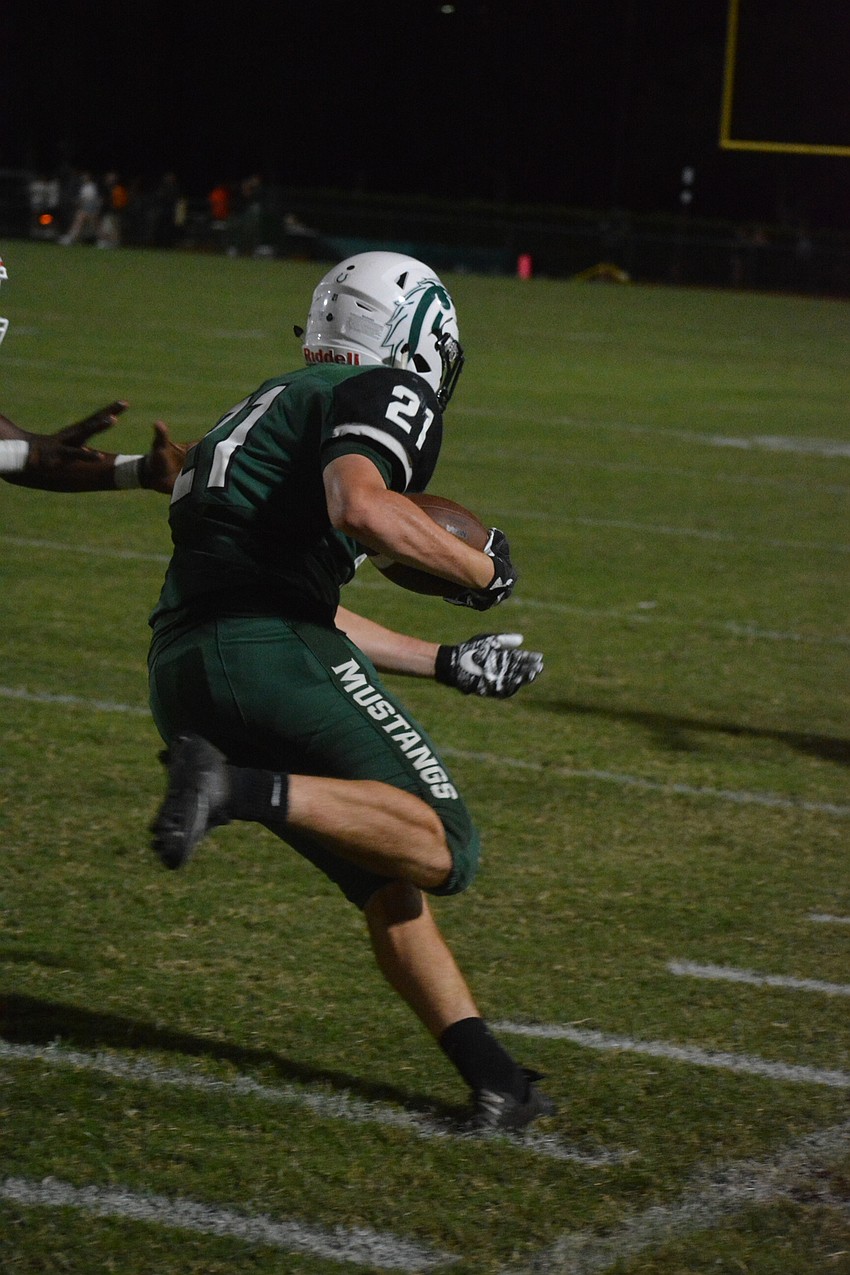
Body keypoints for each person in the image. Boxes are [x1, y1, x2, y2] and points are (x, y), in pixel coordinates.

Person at [148, 251, 555, 1132]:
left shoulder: (260, 404)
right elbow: (363, 509)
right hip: (263, 651)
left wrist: (448, 660)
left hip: (186, 666)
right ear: (416, 333)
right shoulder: (374, 392)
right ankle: (230, 788)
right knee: (445, 843)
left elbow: (300, 606)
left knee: (388, 874)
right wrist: (482, 570)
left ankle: (496, 1080)